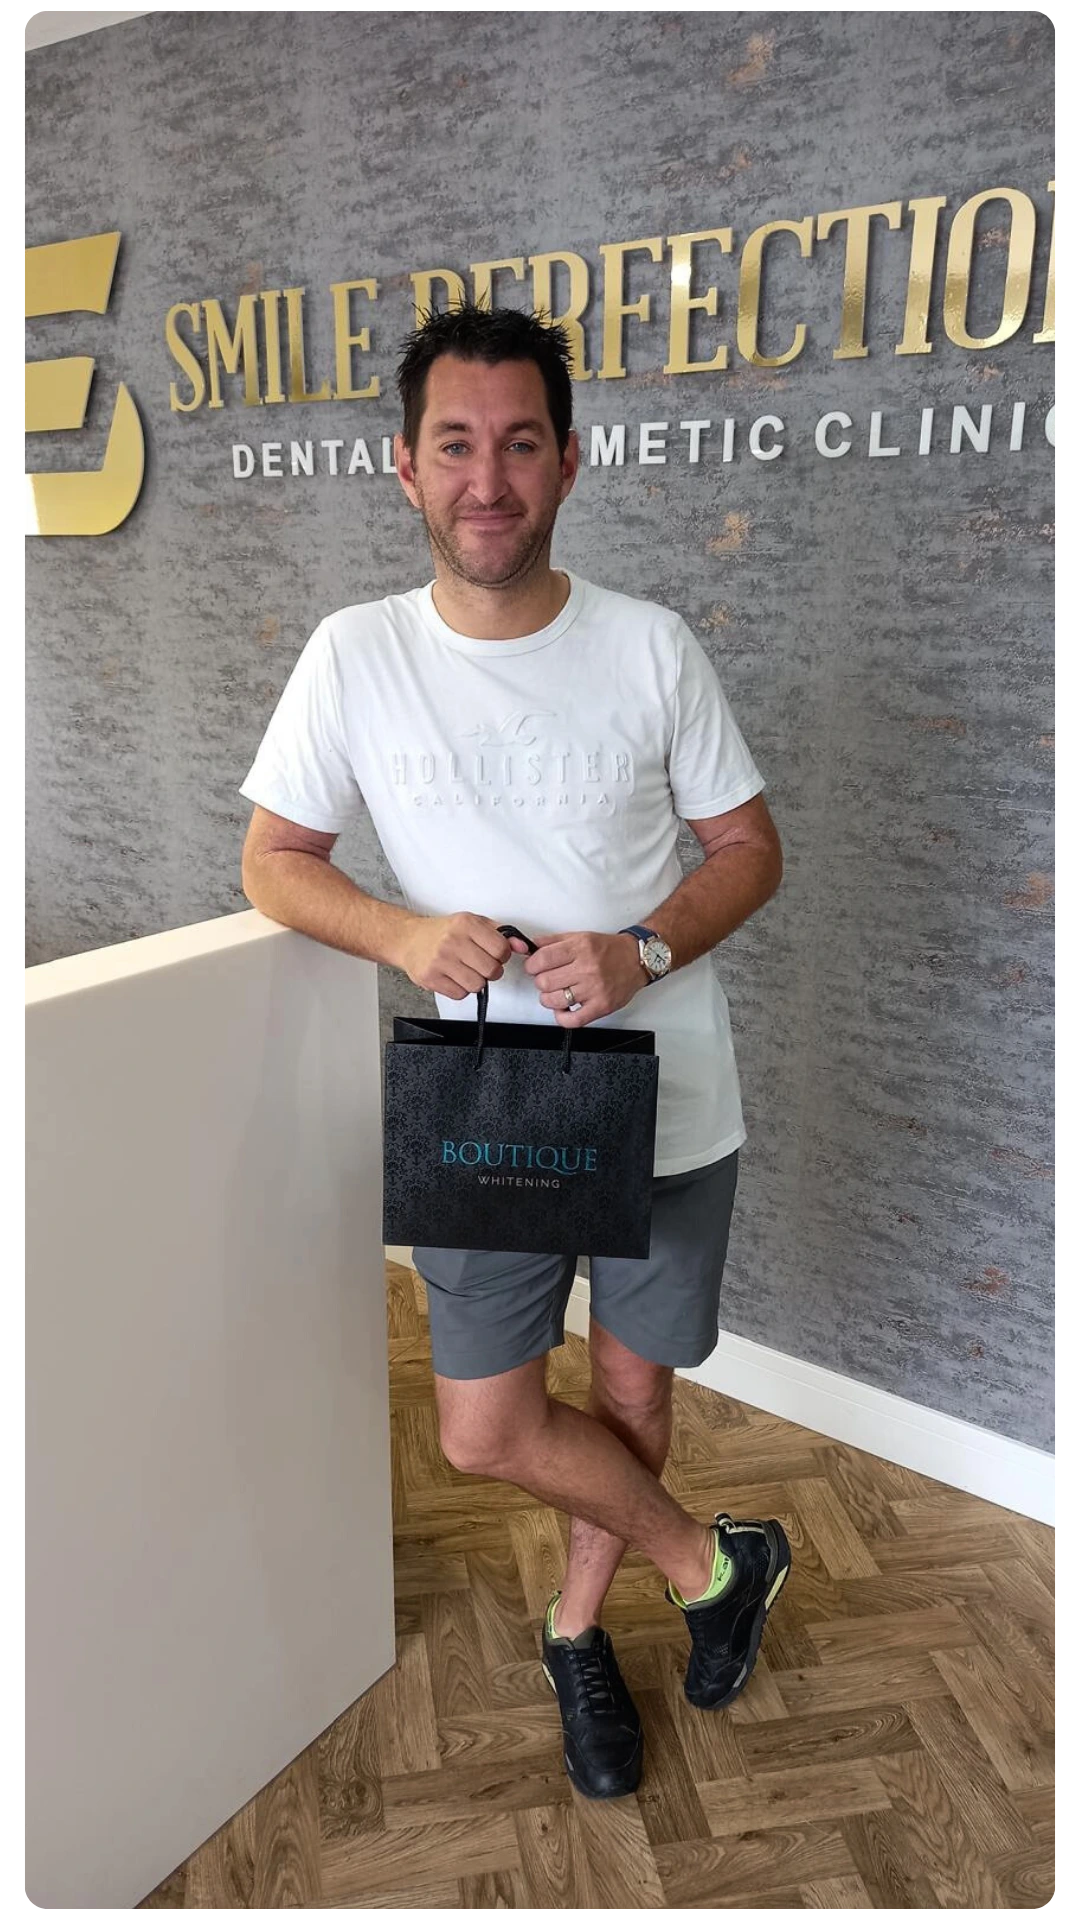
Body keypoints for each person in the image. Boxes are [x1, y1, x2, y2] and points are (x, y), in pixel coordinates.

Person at [239, 302, 790, 1802]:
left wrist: (646, 946)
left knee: (630, 1399)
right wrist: (409, 937)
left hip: (668, 1101)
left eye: (521, 443)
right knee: (485, 1428)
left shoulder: (650, 646)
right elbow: (274, 862)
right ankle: (710, 1560)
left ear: (569, 463)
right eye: (457, 445)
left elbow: (749, 849)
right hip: (487, 1109)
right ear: (406, 470)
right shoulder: (356, 656)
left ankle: (575, 1630)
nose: (490, 478)